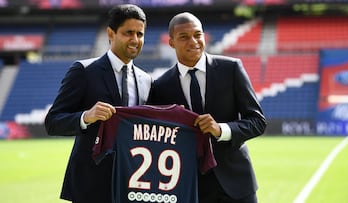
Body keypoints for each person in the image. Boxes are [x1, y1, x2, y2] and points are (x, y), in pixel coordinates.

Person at [147, 12, 267, 203]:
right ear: (171, 43)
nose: (193, 41)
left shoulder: (232, 69)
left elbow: (257, 121)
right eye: (184, 37)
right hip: (191, 187)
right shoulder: (161, 86)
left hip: (236, 183)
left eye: (197, 34)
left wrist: (222, 129)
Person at [44, 4, 152, 203]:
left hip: (133, 184)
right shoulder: (84, 71)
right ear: (111, 33)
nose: (135, 40)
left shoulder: (146, 80)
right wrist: (86, 117)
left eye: (140, 34)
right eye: (129, 33)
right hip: (91, 185)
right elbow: (53, 122)